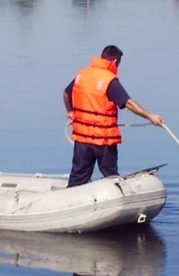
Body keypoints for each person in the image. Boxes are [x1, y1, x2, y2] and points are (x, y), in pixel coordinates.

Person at [63, 45, 164, 188]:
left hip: (82, 139)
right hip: (103, 139)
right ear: (115, 61)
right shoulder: (109, 80)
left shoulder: (82, 75)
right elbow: (128, 103)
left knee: (78, 177)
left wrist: (71, 112)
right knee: (110, 176)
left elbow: (66, 94)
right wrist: (150, 116)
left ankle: (71, 201)